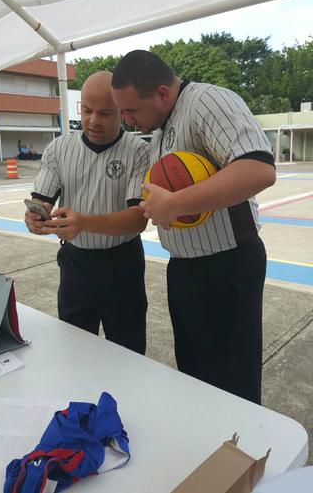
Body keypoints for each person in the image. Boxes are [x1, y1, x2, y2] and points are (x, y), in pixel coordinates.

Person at [111, 50, 276, 404]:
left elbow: (259, 169)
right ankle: (211, 452)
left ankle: (241, 454)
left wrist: (174, 204)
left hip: (226, 265)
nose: (125, 120)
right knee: (195, 377)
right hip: (185, 268)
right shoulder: (160, 130)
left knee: (233, 385)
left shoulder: (208, 102)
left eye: (131, 110)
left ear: (162, 93)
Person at [24, 71, 149, 354]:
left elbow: (138, 219)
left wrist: (84, 223)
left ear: (121, 111)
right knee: (75, 350)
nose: (94, 120)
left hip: (122, 265)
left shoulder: (138, 151)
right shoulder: (59, 148)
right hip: (75, 265)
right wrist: (35, 216)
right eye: (88, 110)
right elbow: (42, 199)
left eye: (105, 113)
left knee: (127, 353)